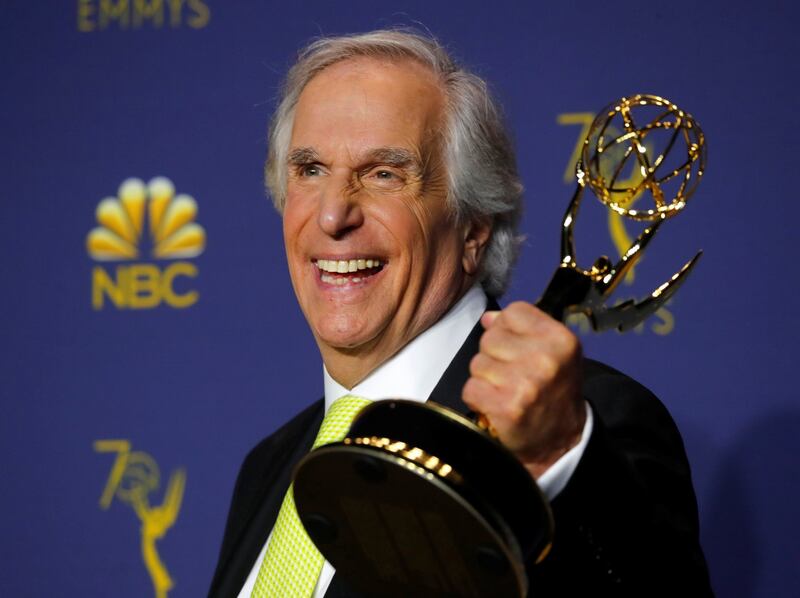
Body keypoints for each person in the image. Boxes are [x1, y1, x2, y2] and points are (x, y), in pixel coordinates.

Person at [209, 29, 712, 597]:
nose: (332, 215)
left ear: (474, 228)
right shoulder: (271, 463)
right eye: (310, 170)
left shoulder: (591, 426)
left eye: (384, 174)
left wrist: (555, 456)